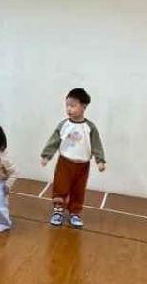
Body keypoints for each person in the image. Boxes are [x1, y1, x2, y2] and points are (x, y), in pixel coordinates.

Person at [40, 88, 106, 229]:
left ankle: (74, 212)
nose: (69, 109)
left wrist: (100, 160)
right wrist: (47, 155)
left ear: (84, 107)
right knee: (60, 186)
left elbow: (96, 144)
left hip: (83, 165)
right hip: (65, 163)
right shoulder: (64, 125)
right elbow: (54, 141)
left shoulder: (89, 127)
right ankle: (58, 210)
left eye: (73, 106)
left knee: (78, 189)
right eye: (67, 105)